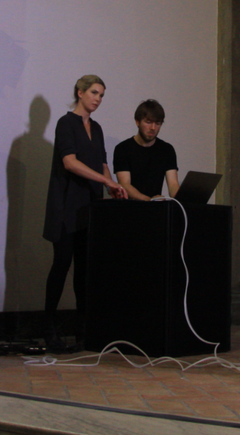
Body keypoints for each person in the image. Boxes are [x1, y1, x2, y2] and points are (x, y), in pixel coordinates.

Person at [43, 75, 127, 352]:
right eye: (94, 93)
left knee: (84, 271)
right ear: (79, 92)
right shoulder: (66, 123)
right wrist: (107, 182)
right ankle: (49, 327)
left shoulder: (98, 128)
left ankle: (82, 329)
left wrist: (111, 185)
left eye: (102, 95)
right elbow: (70, 162)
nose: (98, 99)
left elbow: (102, 163)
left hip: (89, 206)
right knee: (62, 264)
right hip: (67, 204)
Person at [113, 99, 180, 201]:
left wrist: (181, 198)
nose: (153, 128)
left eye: (158, 123)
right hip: (130, 210)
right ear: (137, 122)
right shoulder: (123, 149)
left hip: (156, 209)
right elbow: (125, 184)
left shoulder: (167, 150)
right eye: (148, 122)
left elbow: (173, 184)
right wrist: (149, 200)